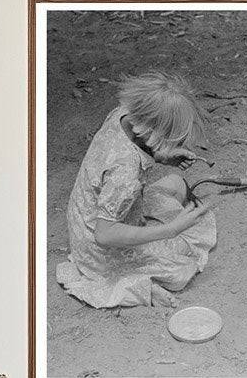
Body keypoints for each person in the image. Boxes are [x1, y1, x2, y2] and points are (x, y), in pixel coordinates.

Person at [56, 72, 216, 309]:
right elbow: (105, 234)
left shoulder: (124, 114)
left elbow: (131, 151)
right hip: (98, 248)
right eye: (172, 140)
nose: (177, 145)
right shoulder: (125, 173)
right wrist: (170, 230)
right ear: (155, 132)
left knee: (174, 182)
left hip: (91, 214)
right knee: (182, 268)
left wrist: (161, 155)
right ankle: (140, 288)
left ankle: (143, 267)